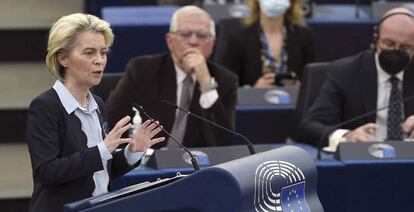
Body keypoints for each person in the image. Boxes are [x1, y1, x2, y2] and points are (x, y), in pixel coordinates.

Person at [26, 13, 165, 212]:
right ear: (63, 58)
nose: (99, 61)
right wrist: (103, 150)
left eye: (103, 52)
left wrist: (132, 153)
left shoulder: (97, 103)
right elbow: (47, 173)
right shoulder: (45, 106)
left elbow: (99, 171)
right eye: (89, 53)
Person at [105, 6, 238, 148]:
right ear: (170, 41)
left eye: (202, 35)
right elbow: (110, 121)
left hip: (197, 165)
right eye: (185, 34)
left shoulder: (225, 80)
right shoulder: (143, 70)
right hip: (149, 161)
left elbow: (223, 142)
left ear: (212, 44)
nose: (193, 41)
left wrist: (206, 83)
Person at [299, 8, 414, 150]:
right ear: (376, 39)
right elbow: (310, 126)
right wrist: (347, 136)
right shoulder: (346, 72)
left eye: (405, 48)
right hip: (363, 160)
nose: (395, 51)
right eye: (389, 44)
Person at [217, 0, 315, 87]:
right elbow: (228, 87)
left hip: (294, 105)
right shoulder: (238, 39)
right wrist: (253, 91)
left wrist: (300, 88)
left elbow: (312, 82)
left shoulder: (304, 36)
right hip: (253, 106)